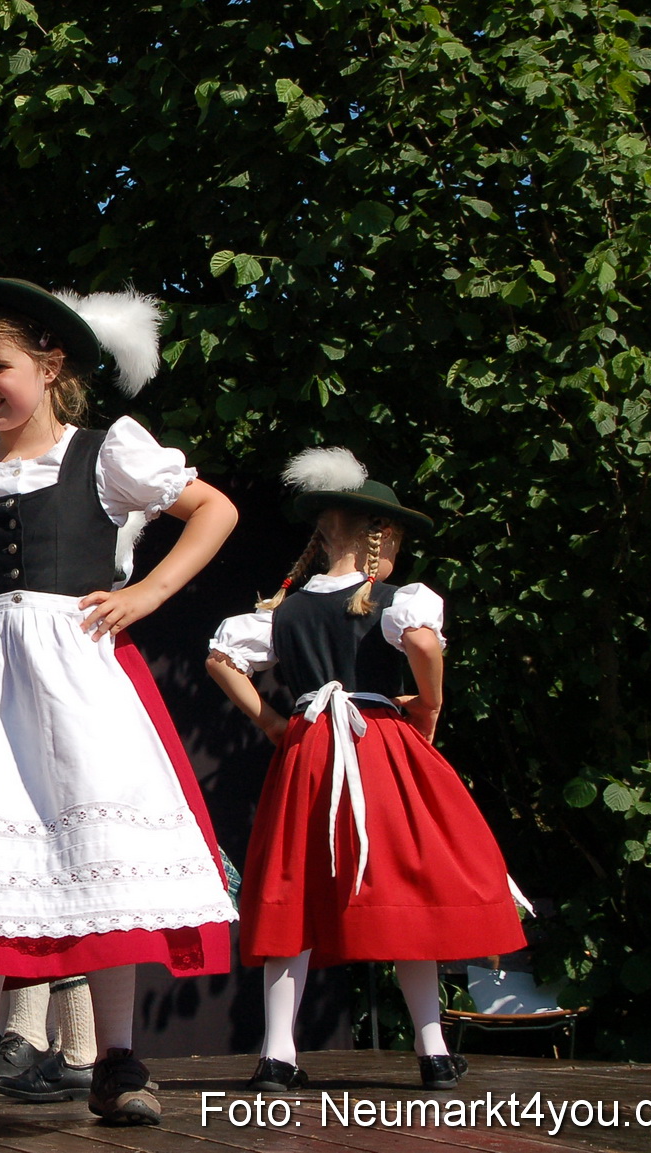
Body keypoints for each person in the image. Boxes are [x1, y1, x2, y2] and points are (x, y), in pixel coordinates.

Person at [0, 278, 239, 1127]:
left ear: (50, 364)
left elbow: (213, 508)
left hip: (78, 678)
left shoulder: (102, 451)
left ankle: (117, 1059)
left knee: (95, 850)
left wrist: (148, 592)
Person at [205, 447, 528, 1092]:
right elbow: (423, 641)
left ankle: (277, 1055)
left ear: (325, 539)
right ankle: (433, 1052)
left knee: (295, 886)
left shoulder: (286, 610)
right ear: (382, 538)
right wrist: (430, 702)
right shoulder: (396, 599)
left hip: (309, 750)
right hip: (378, 746)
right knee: (405, 883)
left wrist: (274, 724)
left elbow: (220, 658)